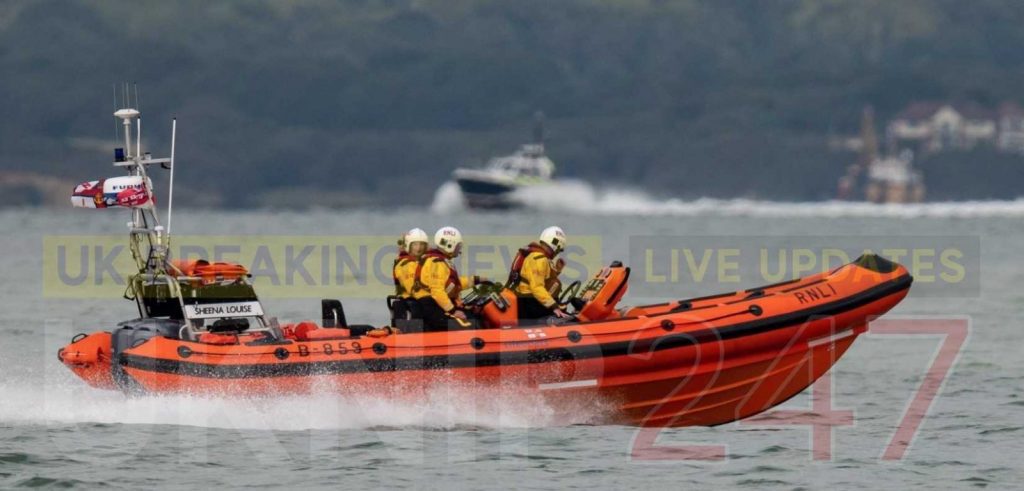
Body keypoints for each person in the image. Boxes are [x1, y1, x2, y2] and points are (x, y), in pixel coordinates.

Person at [412, 226, 476, 331]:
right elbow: (437, 292)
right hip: (430, 308)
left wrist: (475, 280)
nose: (459, 250)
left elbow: (453, 284)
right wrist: (453, 311)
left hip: (433, 306)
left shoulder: (439, 261)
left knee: (469, 314)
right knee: (469, 324)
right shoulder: (437, 263)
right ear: (450, 245)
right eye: (458, 246)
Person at [507, 226, 568, 321]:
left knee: (560, 306)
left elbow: (539, 277)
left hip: (524, 300)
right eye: (559, 250)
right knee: (561, 311)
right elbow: (537, 287)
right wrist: (554, 306)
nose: (557, 253)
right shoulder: (540, 260)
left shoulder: (534, 254)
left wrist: (557, 270)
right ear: (556, 245)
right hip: (529, 304)